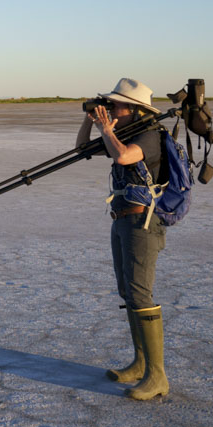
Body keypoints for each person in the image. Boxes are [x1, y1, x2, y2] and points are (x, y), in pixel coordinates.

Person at [76, 78, 170, 401]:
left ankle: (157, 376)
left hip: (143, 222)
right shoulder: (121, 132)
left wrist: (107, 130)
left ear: (134, 110)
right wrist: (89, 122)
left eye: (116, 106)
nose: (111, 110)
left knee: (141, 294)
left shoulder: (149, 135)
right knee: (127, 291)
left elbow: (124, 157)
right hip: (121, 220)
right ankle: (140, 363)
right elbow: (80, 149)